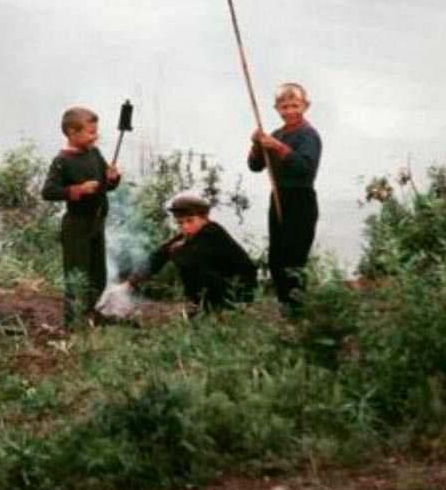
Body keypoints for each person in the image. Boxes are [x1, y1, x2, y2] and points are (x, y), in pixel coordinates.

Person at [42, 106, 121, 330]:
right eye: (91, 132)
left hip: (97, 223)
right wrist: (78, 190)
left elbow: (106, 185)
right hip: (77, 226)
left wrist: (113, 178)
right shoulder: (62, 160)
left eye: (96, 131)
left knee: (98, 276)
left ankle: (89, 313)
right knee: (77, 276)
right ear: (72, 133)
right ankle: (72, 323)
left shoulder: (94, 154)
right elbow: (48, 191)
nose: (96, 136)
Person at [248, 82, 322, 309]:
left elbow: (305, 168)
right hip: (279, 197)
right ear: (277, 109)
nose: (290, 111)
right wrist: (257, 145)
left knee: (294, 258)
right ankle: (285, 305)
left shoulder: (309, 135)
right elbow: (255, 166)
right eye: (284, 107)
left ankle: (298, 308)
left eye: (294, 106)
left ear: (305, 106)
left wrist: (278, 147)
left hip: (301, 200)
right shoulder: (277, 134)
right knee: (277, 258)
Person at [129, 193, 257, 311]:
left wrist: (178, 248)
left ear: (204, 218)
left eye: (190, 221)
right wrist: (130, 283)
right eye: (180, 223)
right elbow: (160, 255)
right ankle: (204, 306)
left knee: (188, 264)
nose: (185, 227)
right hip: (225, 285)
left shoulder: (212, 232)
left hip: (240, 292)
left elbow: (187, 258)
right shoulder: (192, 234)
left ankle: (213, 308)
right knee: (178, 255)